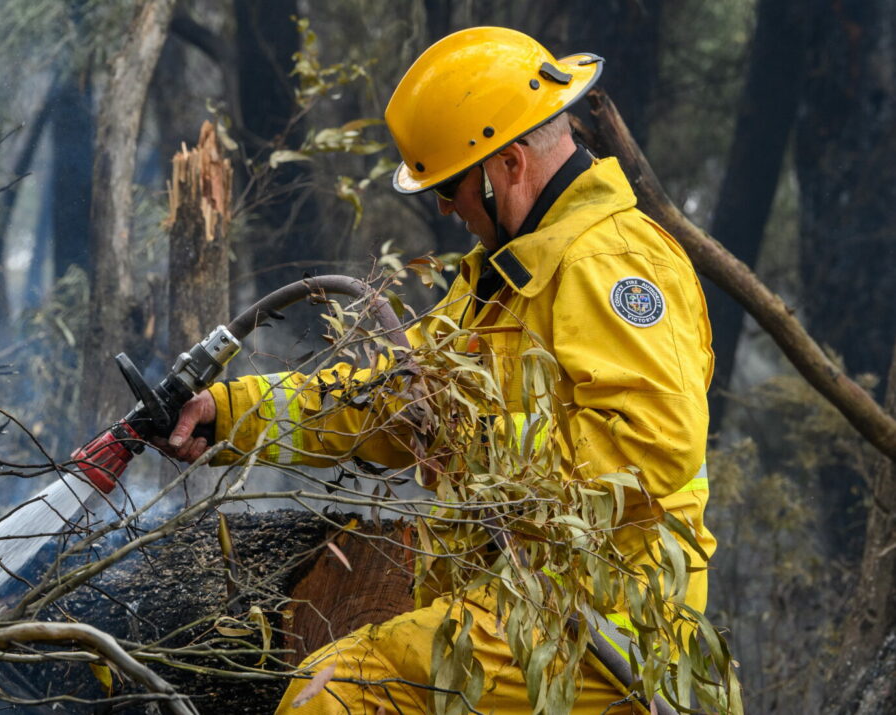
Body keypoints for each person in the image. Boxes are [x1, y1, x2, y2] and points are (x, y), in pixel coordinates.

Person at [163, 27, 714, 714]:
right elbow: (396, 400)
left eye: (451, 185)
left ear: (509, 163)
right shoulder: (509, 276)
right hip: (518, 601)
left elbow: (653, 446)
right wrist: (231, 413)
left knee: (337, 693)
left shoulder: (611, 262)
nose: (445, 207)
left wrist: (482, 447)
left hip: (601, 625)